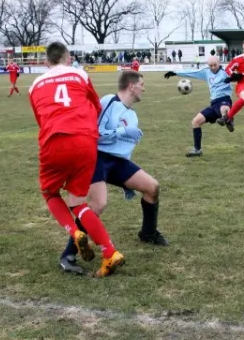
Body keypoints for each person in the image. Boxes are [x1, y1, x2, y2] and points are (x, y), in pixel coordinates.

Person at [28, 41, 125, 278]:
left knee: (50, 193)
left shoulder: (35, 85)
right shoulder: (80, 74)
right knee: (79, 203)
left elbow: (41, 118)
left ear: (46, 62)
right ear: (68, 57)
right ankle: (109, 252)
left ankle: (74, 232)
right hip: (85, 141)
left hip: (55, 140)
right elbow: (94, 105)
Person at [59, 70, 168, 274]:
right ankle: (68, 254)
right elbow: (96, 135)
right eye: (142, 84)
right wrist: (122, 131)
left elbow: (123, 148)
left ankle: (148, 233)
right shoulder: (109, 101)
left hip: (118, 163)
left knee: (152, 187)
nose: (144, 88)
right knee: (98, 205)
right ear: (131, 86)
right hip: (97, 157)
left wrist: (126, 183)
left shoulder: (132, 115)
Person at [164, 56, 233, 157]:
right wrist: (175, 72)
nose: (213, 67)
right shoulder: (206, 72)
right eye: (211, 65)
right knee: (195, 122)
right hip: (213, 104)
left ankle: (226, 118)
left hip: (224, 100)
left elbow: (238, 76)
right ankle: (197, 149)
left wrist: (236, 77)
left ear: (219, 63)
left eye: (215, 65)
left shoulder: (226, 72)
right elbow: (192, 72)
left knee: (223, 108)